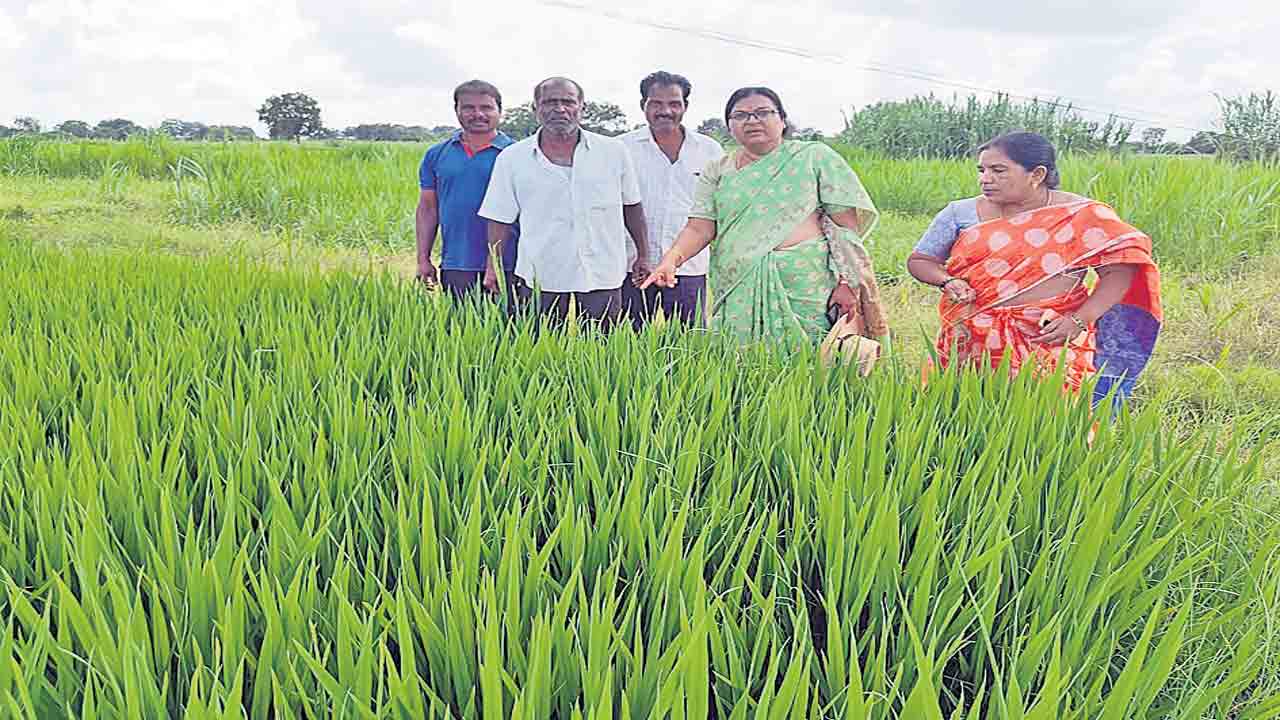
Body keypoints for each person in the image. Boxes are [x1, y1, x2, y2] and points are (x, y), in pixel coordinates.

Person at [906, 131, 1162, 406]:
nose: (985, 178)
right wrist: (947, 282)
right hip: (972, 338)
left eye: (998, 170)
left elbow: (1120, 271)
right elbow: (921, 261)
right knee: (965, 412)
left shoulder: (1080, 216)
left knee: (1051, 419)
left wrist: (1079, 320)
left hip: (1049, 337)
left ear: (1037, 174)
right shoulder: (960, 213)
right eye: (981, 170)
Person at [641, 86, 887, 347]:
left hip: (806, 284)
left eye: (762, 113)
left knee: (812, 363)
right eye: (740, 115)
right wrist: (671, 260)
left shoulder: (813, 158)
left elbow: (844, 229)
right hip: (738, 282)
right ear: (730, 125)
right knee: (739, 360)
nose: (752, 121)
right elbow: (700, 228)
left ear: (782, 120)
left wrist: (847, 282)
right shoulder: (718, 170)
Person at [478, 77, 650, 330]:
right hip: (540, 271)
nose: (559, 109)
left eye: (568, 102)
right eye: (549, 102)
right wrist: (493, 265)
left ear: (582, 107)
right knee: (538, 348)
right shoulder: (512, 159)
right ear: (535, 109)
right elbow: (499, 217)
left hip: (601, 270)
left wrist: (643, 255)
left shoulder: (613, 152)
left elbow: (632, 207)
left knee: (600, 350)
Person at [619, 71, 725, 329]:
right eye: (656, 103)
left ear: (685, 107)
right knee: (627, 342)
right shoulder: (621, 148)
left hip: (687, 268)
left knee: (689, 342)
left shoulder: (709, 150)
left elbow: (719, 207)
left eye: (674, 104)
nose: (665, 110)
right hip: (632, 265)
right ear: (643, 105)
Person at [416, 80, 518, 302]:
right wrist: (422, 258)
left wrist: (497, 263)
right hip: (457, 261)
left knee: (513, 331)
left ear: (499, 111)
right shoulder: (437, 154)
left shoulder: (517, 155)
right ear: (457, 111)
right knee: (462, 330)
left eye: (486, 107)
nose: (477, 114)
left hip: (511, 263)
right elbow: (428, 209)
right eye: (469, 108)